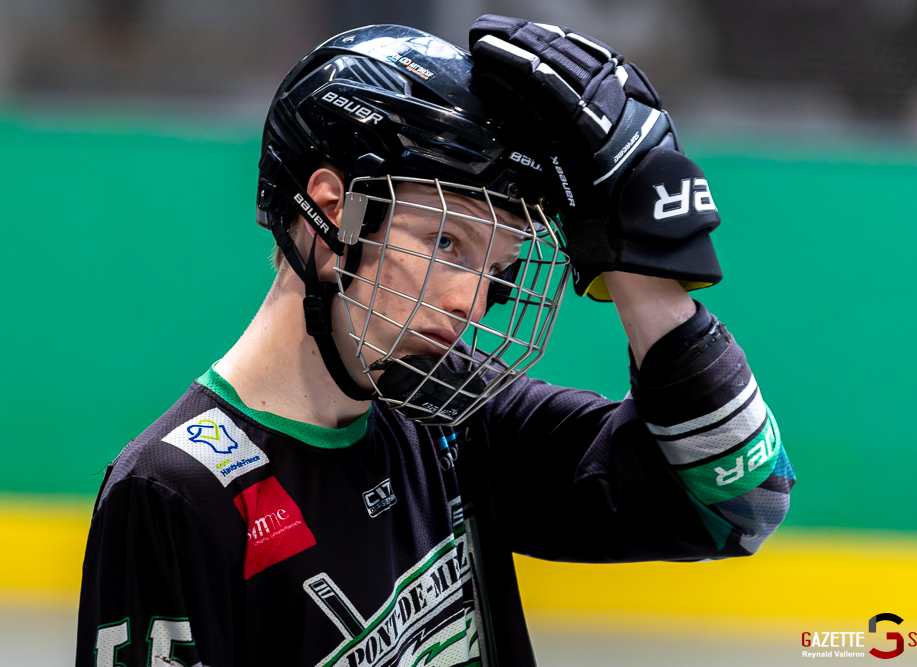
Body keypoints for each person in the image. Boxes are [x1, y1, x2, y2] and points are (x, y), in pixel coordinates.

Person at [76, 15, 795, 667]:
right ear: (331, 210)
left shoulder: (454, 422)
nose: (471, 298)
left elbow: (742, 500)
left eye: (497, 267)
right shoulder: (171, 493)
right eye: (446, 240)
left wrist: (637, 248)